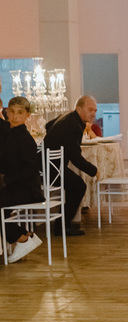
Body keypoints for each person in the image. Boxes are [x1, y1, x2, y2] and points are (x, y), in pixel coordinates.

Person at [42, 95, 97, 236]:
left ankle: (63, 225)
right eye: (90, 109)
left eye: (95, 110)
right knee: (79, 186)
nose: (93, 113)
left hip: (48, 165)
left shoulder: (68, 117)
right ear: (79, 108)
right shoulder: (73, 125)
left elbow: (48, 125)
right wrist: (94, 170)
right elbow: (75, 157)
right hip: (50, 168)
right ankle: (61, 227)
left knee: (76, 186)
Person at [1, 97, 45, 263]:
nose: (14, 116)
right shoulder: (10, 135)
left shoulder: (25, 139)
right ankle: (25, 235)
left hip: (28, 190)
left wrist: (7, 179)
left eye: (20, 113)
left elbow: (31, 169)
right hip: (15, 187)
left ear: (27, 115)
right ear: (6, 112)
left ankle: (22, 239)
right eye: (12, 111)